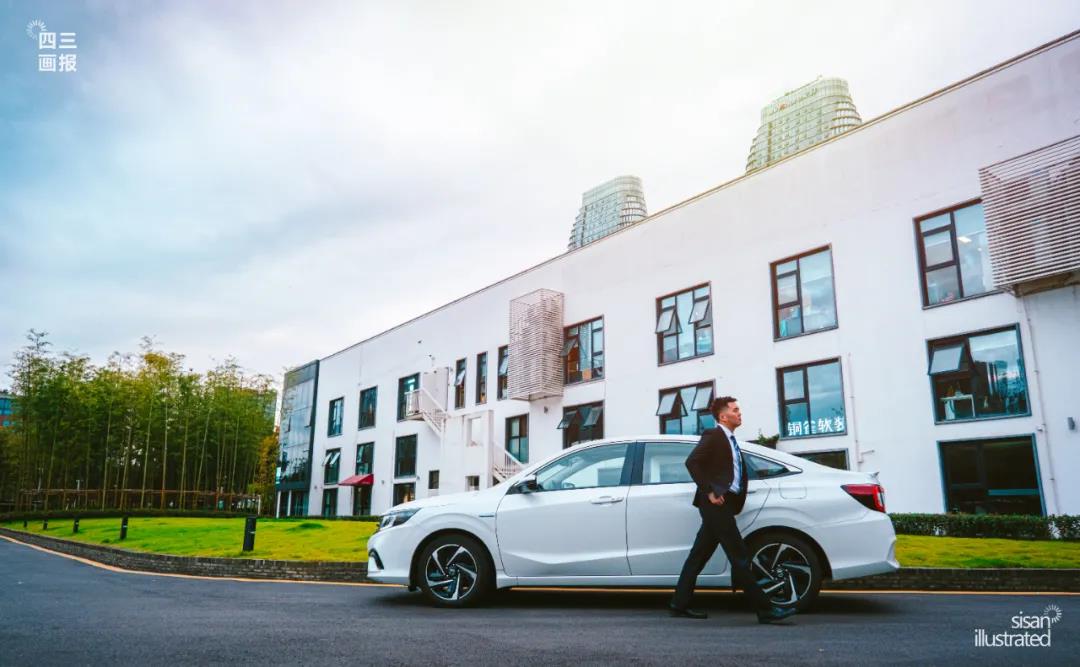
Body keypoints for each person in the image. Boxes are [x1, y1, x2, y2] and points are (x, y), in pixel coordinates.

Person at [669, 396, 797, 624]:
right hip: (716, 504)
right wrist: (709, 490)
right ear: (723, 416)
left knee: (698, 556)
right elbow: (692, 462)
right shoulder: (714, 435)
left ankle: (679, 604)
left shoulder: (731, 440)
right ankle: (766, 610)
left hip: (724, 504)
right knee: (739, 556)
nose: (739, 413)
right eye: (735, 410)